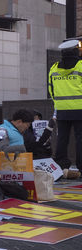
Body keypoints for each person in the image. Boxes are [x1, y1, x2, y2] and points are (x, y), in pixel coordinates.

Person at [49, 40, 82, 174]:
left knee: (62, 139)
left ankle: (61, 166)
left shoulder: (54, 68)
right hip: (80, 109)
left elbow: (51, 90)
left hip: (62, 110)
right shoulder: (80, 66)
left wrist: (59, 103)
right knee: (80, 139)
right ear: (75, 50)